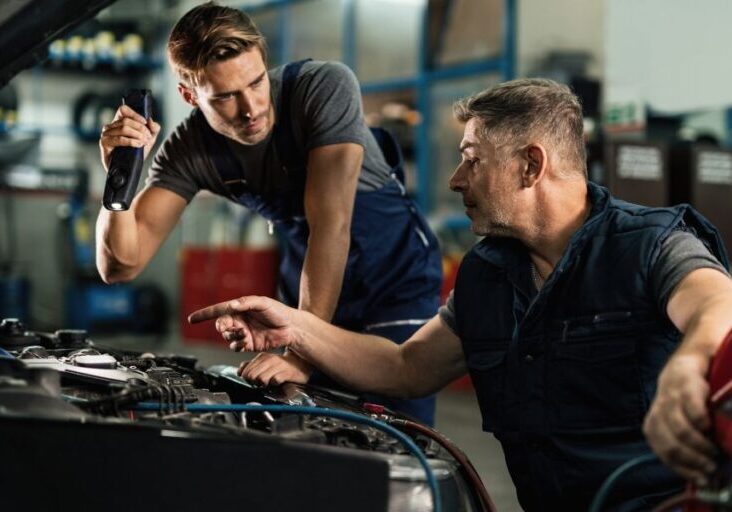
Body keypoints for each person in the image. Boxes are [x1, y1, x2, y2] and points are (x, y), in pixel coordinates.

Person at [188, 78, 732, 511]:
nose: (455, 178)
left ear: (530, 165)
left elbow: (717, 304)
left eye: (471, 158)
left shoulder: (648, 244)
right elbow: (406, 368)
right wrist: (295, 326)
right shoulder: (487, 275)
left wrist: (690, 365)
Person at [95, 2, 442, 425]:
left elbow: (331, 225)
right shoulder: (189, 150)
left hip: (392, 285)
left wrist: (300, 350)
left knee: (396, 434)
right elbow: (121, 266)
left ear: (265, 62)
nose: (251, 108)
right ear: (189, 95)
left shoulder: (321, 88)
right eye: (224, 97)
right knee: (313, 432)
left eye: (257, 82)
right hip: (307, 292)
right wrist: (120, 178)